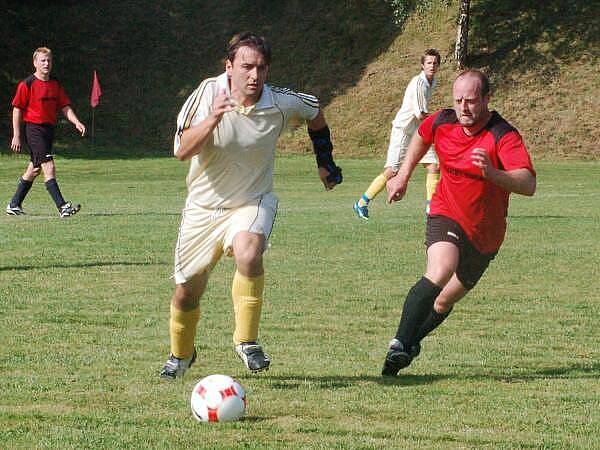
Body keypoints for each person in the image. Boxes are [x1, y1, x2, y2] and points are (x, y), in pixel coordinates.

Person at [160, 32, 342, 380]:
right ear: (229, 67)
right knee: (187, 292)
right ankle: (181, 355)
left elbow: (315, 111)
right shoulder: (207, 94)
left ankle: (246, 340)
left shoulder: (280, 101)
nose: (254, 76)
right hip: (204, 208)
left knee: (249, 251)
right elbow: (182, 150)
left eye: (261, 68)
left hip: (252, 201)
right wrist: (213, 117)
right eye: (246, 67)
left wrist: (325, 161)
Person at [382, 69, 536, 376]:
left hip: (485, 235)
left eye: (471, 101)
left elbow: (528, 182)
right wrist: (403, 174)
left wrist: (494, 174)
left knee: (443, 301)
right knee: (440, 268)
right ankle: (399, 343)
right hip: (446, 211)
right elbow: (422, 135)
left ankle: (410, 345)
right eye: (459, 100)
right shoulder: (443, 120)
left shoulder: (503, 134)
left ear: (487, 100)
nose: (464, 107)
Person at [353, 48, 441, 220]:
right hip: (403, 131)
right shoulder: (419, 83)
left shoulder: (433, 82)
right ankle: (361, 203)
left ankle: (431, 210)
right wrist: (441, 123)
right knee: (391, 171)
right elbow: (421, 114)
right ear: (422, 65)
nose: (432, 66)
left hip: (417, 131)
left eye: (435, 63)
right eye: (429, 63)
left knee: (433, 165)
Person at [6, 47, 85, 218]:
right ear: (35, 63)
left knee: (34, 169)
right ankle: (62, 206)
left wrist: (76, 121)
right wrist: (17, 135)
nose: (46, 63)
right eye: (42, 60)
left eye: (49, 60)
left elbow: (65, 106)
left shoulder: (55, 83)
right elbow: (17, 109)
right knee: (48, 166)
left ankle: (14, 204)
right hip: (34, 130)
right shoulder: (27, 84)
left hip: (48, 130)